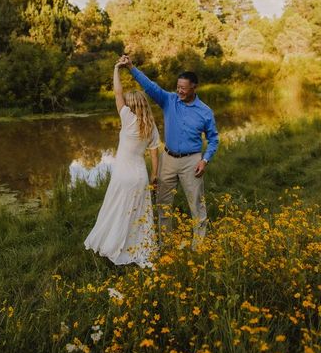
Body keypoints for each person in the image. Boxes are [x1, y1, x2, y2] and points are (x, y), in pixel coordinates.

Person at [119, 55, 219, 246]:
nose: (179, 90)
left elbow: (213, 139)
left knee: (196, 205)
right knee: (163, 204)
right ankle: (166, 245)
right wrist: (131, 67)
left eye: (183, 88)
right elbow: (150, 86)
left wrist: (204, 160)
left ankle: (199, 246)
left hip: (193, 161)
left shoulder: (205, 111)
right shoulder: (168, 100)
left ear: (194, 88)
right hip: (168, 159)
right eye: (178, 86)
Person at [84, 60, 160, 268]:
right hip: (140, 175)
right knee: (139, 213)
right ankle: (136, 246)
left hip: (123, 174)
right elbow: (155, 155)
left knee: (117, 210)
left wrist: (117, 69)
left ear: (131, 106)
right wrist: (155, 175)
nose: (124, 103)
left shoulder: (128, 118)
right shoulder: (151, 127)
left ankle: (114, 244)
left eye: (127, 102)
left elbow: (118, 93)